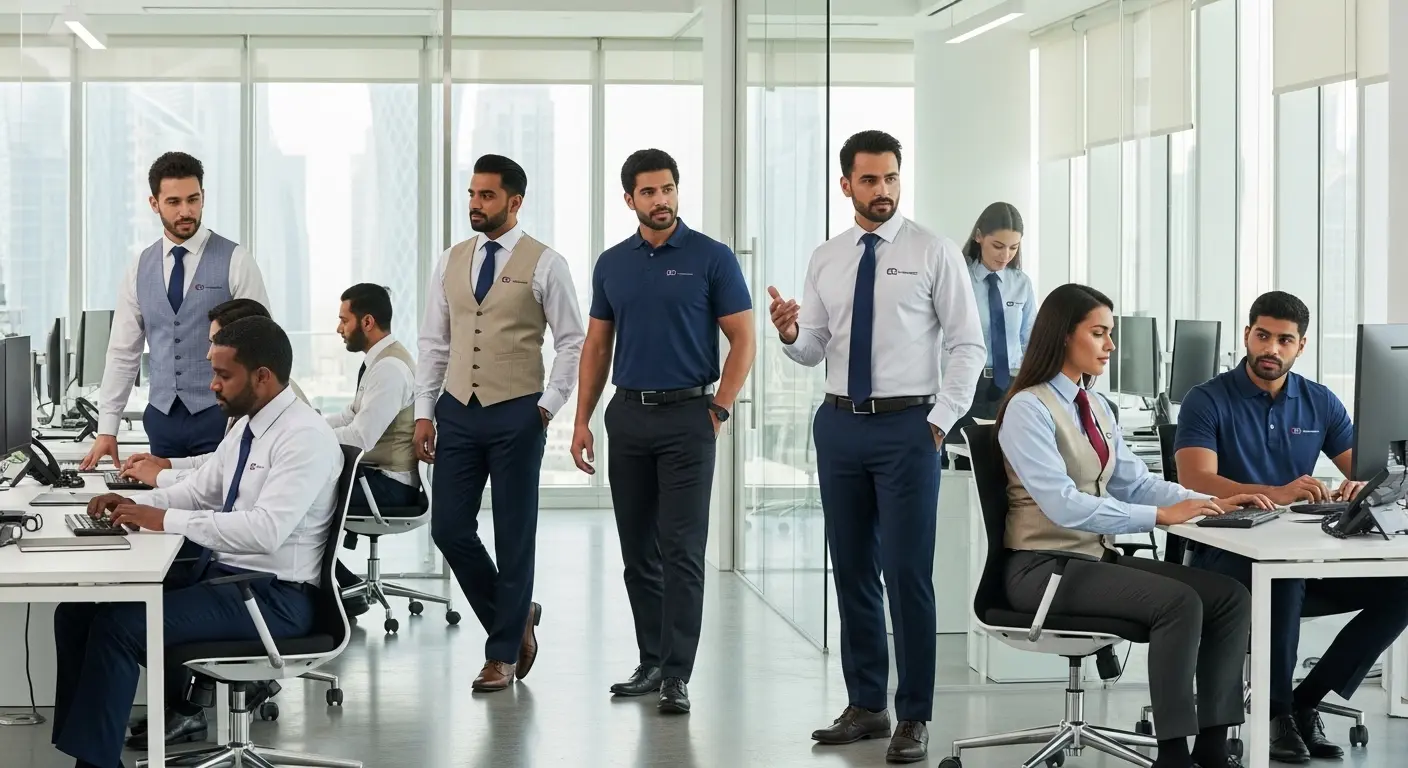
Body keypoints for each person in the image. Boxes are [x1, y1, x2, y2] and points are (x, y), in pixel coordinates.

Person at [767, 130, 984, 763]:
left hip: (908, 427)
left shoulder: (932, 251)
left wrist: (939, 422)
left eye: (891, 177)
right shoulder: (827, 257)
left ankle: (914, 714)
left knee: (907, 573)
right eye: (869, 179)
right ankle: (867, 704)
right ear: (846, 185)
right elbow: (815, 348)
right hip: (839, 425)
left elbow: (967, 345)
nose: (883, 189)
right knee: (852, 568)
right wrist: (790, 334)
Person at [52, 317, 342, 768]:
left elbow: (265, 531)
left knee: (118, 628)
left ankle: (94, 765)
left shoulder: (303, 437)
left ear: (262, 376)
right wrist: (132, 504)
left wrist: (165, 518)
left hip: (275, 599)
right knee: (75, 613)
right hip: (229, 580)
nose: (213, 385)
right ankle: (87, 753)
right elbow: (199, 491)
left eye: (224, 375)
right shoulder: (248, 427)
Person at [998, 283, 1264, 768]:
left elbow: (1135, 482)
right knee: (1179, 602)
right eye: (1099, 333)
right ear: (1064, 335)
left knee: (1229, 597)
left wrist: (1209, 502)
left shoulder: (1096, 406)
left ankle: (1212, 747)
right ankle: (1173, 754)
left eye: (1110, 333)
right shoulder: (1028, 408)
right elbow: (1062, 505)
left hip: (1091, 560)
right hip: (1041, 570)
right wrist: (1160, 517)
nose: (1110, 345)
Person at [1175, 290, 1408, 763]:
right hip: (1225, 557)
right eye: (1263, 336)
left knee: (1402, 586)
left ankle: (1306, 699)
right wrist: (1276, 492)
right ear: (1247, 335)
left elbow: (1362, 467)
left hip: (1298, 557)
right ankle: (1275, 712)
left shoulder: (1318, 401)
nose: (1271, 349)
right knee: (1283, 577)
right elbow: (1195, 478)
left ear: (1301, 345)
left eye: (1284, 340)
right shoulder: (1207, 399)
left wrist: (1360, 485)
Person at [570, 148, 755, 715]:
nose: (661, 200)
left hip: (688, 418)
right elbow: (597, 345)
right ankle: (650, 662)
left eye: (668, 188)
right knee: (638, 552)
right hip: (627, 416)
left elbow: (744, 339)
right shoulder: (612, 263)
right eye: (648, 192)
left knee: (682, 550)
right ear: (630, 199)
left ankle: (677, 673)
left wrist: (719, 409)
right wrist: (582, 418)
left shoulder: (711, 258)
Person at [414, 154, 585, 693]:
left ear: (515, 201)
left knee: (513, 536)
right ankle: (517, 617)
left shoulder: (547, 263)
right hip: (456, 411)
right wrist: (424, 412)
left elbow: (572, 341)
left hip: (518, 413)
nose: (475, 204)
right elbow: (434, 343)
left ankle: (501, 654)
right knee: (448, 528)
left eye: (486, 195)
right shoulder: (450, 261)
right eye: (472, 193)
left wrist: (547, 406)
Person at [81, 151, 271, 471]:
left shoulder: (236, 260)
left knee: (219, 499)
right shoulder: (139, 267)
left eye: (193, 199)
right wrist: (107, 428)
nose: (186, 211)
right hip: (162, 420)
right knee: (163, 499)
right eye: (173, 202)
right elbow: (123, 352)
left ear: (203, 196)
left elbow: (263, 345)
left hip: (222, 417)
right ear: (154, 203)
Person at [120, 298, 307, 489]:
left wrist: (161, 476)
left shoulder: (275, 403)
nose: (209, 354)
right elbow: (223, 461)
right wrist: (166, 464)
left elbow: (230, 479)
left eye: (218, 341)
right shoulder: (249, 396)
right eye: (211, 342)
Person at [947, 202, 1035, 458]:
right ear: (979, 236)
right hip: (967, 384)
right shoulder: (957, 279)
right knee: (962, 464)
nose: (1005, 255)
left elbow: (1030, 339)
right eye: (998, 246)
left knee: (1006, 466)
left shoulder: (1021, 283)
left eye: (1013, 247)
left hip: (1011, 388)